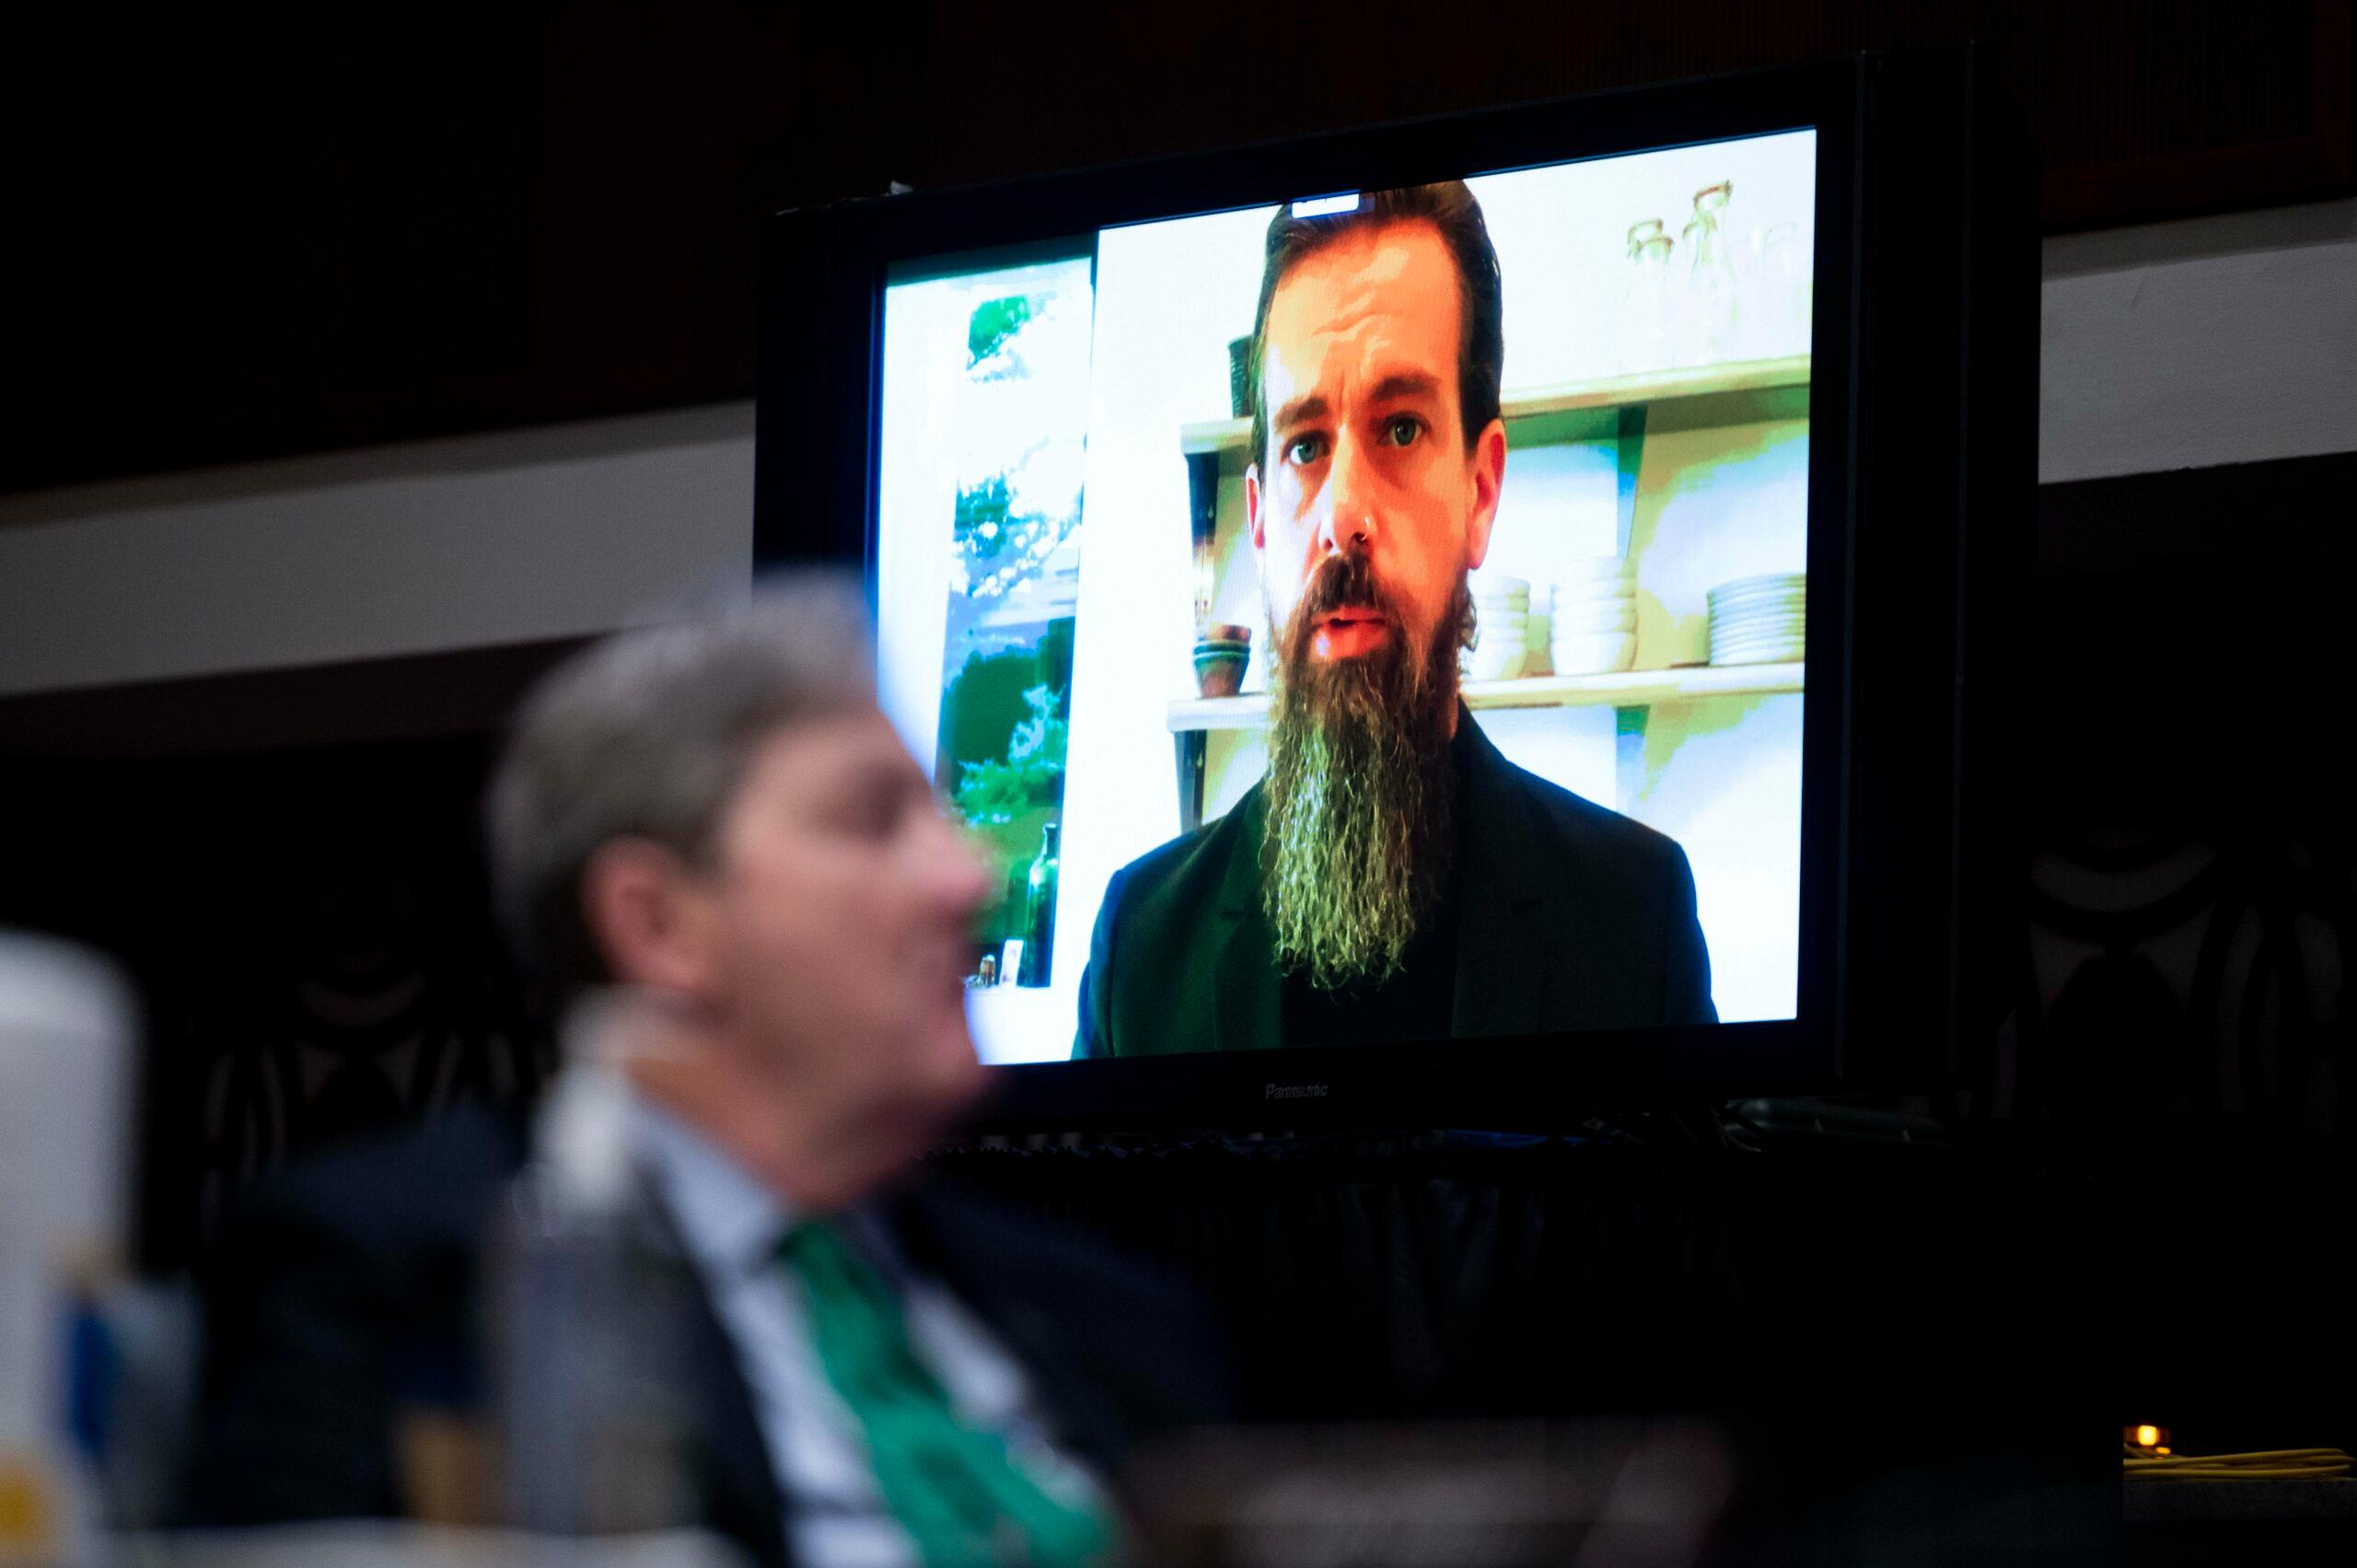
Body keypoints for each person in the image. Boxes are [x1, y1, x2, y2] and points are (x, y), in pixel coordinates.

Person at [190, 579, 1228, 1565]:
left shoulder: (1118, 1317)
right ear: (658, 923)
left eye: (943, 820)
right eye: (873, 820)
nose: (969, 876)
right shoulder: (401, 1273)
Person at [1075, 183, 1714, 1059]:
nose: (1342, 512)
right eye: (1305, 444)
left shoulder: (1637, 923)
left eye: (1402, 428)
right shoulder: (1141, 949)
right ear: (1259, 524)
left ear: (1481, 492)